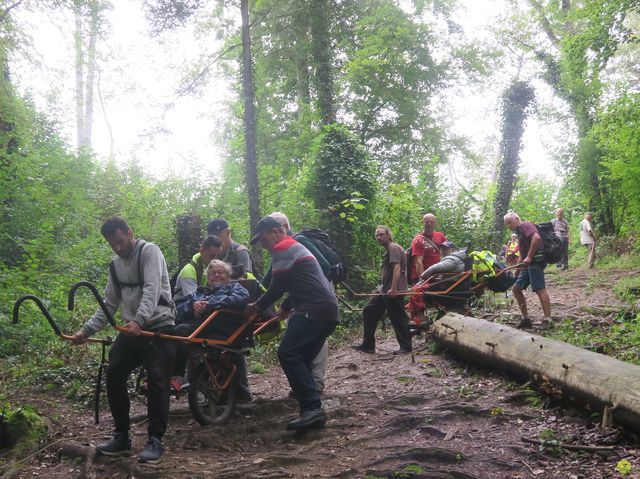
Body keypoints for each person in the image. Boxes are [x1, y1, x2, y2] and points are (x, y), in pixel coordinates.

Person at [71, 217, 176, 464]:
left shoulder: (150, 252)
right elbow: (109, 304)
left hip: (158, 326)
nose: (117, 248)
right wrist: (86, 331)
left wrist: (139, 320)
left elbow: (152, 289)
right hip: (132, 330)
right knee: (114, 372)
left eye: (119, 241)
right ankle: (122, 437)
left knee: (157, 382)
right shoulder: (115, 265)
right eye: (112, 244)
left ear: (130, 233)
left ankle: (155, 441)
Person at [245, 216, 339, 431]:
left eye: (263, 237)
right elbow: (300, 280)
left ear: (278, 231)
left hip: (312, 310)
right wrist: (286, 307)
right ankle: (312, 412)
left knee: (288, 353)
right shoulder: (295, 248)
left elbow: (276, 287)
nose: (263, 243)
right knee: (302, 358)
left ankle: (313, 408)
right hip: (326, 310)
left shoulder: (284, 247)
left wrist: (255, 307)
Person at [267, 212, 330, 395]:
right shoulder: (283, 248)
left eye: (273, 230)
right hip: (301, 299)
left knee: (311, 340)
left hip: (316, 296)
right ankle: (306, 386)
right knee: (295, 338)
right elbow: (270, 279)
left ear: (282, 229)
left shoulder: (296, 243)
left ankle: (315, 385)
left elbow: (324, 266)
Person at [172, 260, 252, 399]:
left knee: (181, 331)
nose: (216, 276)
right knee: (169, 332)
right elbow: (177, 309)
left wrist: (210, 305)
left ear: (228, 276)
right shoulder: (199, 293)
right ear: (207, 278)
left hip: (223, 328)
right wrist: (193, 306)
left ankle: (179, 375)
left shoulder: (234, 287)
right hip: (201, 327)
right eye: (212, 273)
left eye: (220, 272)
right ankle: (178, 377)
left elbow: (241, 298)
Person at [353, 226, 412, 354]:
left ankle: (406, 347)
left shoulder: (393, 248)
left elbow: (397, 268)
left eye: (381, 235)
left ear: (388, 235)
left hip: (393, 290)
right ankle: (368, 345)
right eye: (377, 235)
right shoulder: (388, 250)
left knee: (397, 316)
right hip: (385, 290)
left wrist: (394, 288)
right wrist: (381, 289)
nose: (379, 237)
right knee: (369, 310)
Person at [503, 212, 553, 330]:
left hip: (535, 261)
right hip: (527, 265)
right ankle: (525, 319)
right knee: (516, 289)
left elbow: (536, 237)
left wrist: (529, 256)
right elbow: (522, 253)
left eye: (509, 222)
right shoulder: (520, 232)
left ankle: (548, 320)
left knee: (540, 289)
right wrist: (517, 271)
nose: (508, 226)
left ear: (516, 218)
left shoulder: (525, 225)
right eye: (506, 224)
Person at [407, 241, 463, 325]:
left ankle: (420, 318)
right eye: (442, 249)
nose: (443, 251)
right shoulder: (456, 258)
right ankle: (416, 312)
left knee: (417, 290)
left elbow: (433, 269)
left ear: (453, 250)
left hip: (448, 285)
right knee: (416, 289)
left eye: (446, 249)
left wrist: (423, 276)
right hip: (448, 283)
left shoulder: (453, 259)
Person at [172, 235, 223, 305]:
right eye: (212, 256)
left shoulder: (209, 267)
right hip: (182, 309)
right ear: (201, 251)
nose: (215, 259)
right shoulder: (188, 271)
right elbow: (193, 299)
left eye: (218, 256)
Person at [409, 213, 447, 285]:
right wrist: (422, 281)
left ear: (435, 223)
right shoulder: (418, 240)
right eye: (426, 222)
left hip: (436, 276)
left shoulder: (440, 236)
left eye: (431, 222)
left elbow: (447, 253)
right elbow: (418, 262)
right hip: (422, 276)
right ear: (423, 223)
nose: (429, 224)